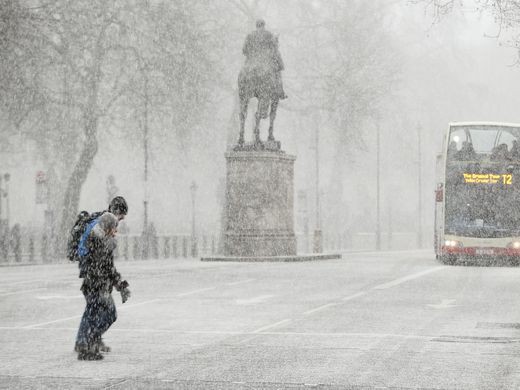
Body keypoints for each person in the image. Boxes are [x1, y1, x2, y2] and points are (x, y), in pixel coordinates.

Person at [75, 212, 130, 360]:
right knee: (107, 314)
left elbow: (109, 268)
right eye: (114, 228)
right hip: (95, 287)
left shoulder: (104, 242)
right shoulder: (97, 242)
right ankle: (88, 344)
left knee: (95, 316)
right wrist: (103, 285)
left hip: (98, 287)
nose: (115, 231)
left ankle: (87, 345)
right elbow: (101, 268)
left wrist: (121, 285)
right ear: (107, 228)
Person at [242, 19, 287, 99]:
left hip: (251, 63)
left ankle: (243, 90)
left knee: (243, 73)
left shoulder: (250, 35)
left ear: (256, 26)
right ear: (264, 25)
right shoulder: (269, 35)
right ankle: (280, 91)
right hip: (265, 62)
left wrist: (251, 54)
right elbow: (274, 50)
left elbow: (244, 50)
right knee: (277, 73)